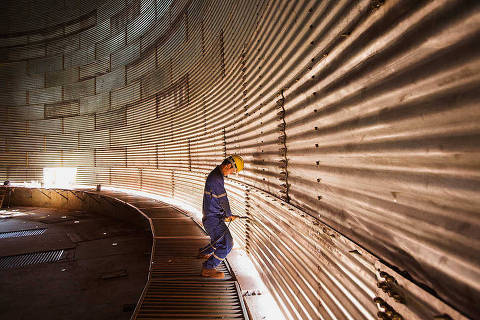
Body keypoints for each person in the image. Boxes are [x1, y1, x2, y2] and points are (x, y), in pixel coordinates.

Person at [198, 155, 244, 279]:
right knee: (227, 243)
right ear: (228, 165)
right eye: (232, 170)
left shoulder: (216, 174)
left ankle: (204, 252)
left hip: (212, 216)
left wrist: (224, 215)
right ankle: (208, 268)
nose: (230, 173)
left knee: (218, 239)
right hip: (212, 218)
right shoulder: (216, 178)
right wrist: (228, 215)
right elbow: (223, 200)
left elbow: (215, 199)